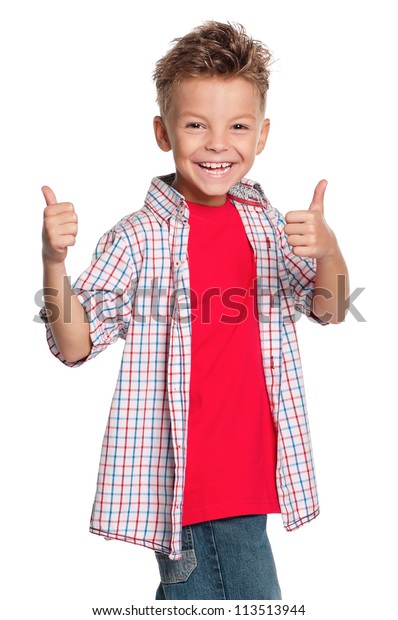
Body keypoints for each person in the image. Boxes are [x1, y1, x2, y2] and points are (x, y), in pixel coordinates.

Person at [40, 20, 349, 601]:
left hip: (252, 477)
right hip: (189, 487)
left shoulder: (268, 226)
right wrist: (54, 263)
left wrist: (329, 248)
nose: (216, 143)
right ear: (163, 132)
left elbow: (329, 308)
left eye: (237, 126)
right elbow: (74, 345)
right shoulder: (139, 238)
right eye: (194, 125)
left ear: (262, 135)